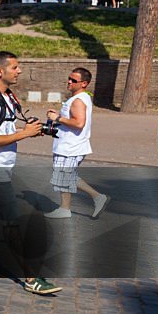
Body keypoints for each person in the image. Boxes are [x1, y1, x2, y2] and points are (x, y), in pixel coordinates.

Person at [0, 51, 60, 296]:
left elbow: (2, 129)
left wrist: (25, 130)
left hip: (2, 167)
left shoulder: (6, 96)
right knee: (11, 223)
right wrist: (23, 134)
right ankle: (30, 277)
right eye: (15, 67)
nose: (20, 70)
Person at [44, 68, 109, 219]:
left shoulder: (78, 100)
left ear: (84, 83)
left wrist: (57, 118)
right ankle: (66, 208)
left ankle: (96, 197)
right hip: (70, 145)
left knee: (65, 176)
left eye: (74, 80)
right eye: (69, 78)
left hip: (71, 147)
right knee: (65, 176)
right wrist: (59, 117)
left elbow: (79, 123)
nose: (69, 82)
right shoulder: (80, 98)